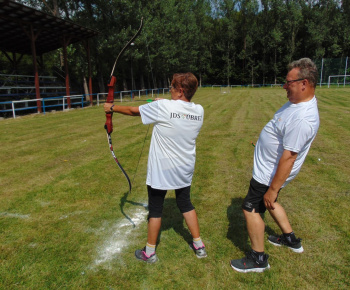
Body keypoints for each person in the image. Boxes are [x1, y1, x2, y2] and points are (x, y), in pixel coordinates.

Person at [104, 72, 206, 264]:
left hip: (162, 170)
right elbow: (179, 109)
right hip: (184, 168)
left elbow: (134, 111)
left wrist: (112, 107)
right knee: (185, 203)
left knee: (156, 209)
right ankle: (199, 245)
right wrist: (167, 102)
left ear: (180, 91)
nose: (170, 89)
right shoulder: (199, 110)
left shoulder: (163, 107)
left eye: (172, 87)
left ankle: (149, 252)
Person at [230, 58, 320, 273]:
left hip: (268, 174)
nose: (284, 86)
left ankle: (258, 259)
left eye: (288, 82)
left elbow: (289, 157)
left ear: (304, 83)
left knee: (251, 208)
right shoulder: (296, 103)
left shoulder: (303, 118)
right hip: (268, 170)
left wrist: (272, 188)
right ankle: (290, 239)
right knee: (271, 202)